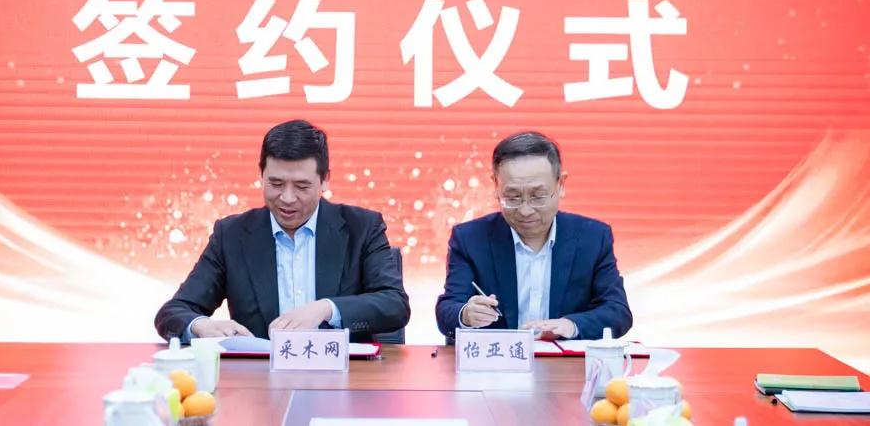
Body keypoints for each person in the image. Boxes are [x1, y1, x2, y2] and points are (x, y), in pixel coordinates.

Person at [156, 119, 410, 343]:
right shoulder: (232, 235)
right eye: (276, 183)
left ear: (325, 180)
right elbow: (173, 312)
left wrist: (327, 309)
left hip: (346, 375)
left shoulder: (362, 228)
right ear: (261, 175)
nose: (287, 198)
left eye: (302, 186)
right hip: (259, 376)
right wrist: (201, 326)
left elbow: (395, 305)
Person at [435, 131, 632, 340]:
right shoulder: (469, 239)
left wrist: (571, 325)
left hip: (563, 360)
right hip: (498, 358)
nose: (525, 210)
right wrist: (466, 314)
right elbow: (447, 310)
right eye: (513, 197)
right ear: (495, 185)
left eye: (538, 196)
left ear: (560, 184)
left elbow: (617, 311)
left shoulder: (593, 238)